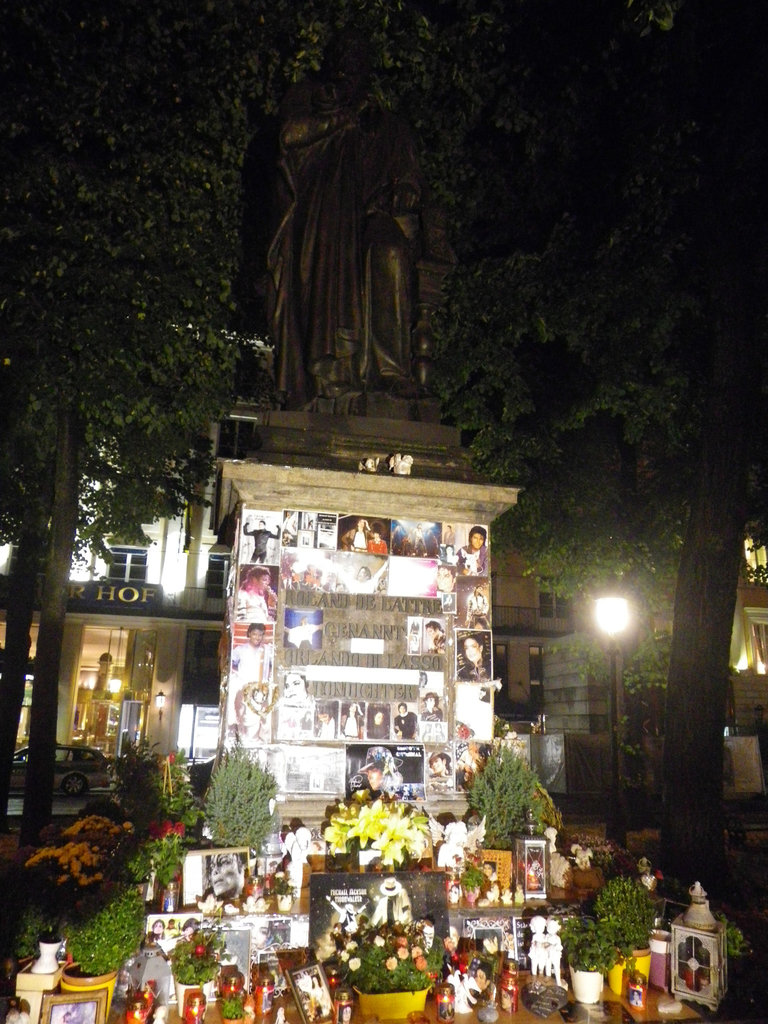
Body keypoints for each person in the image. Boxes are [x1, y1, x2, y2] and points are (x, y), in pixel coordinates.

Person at [268, 32, 428, 409]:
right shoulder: (311, 99)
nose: (350, 69)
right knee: (330, 245)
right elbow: (289, 138)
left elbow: (410, 181)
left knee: (388, 250)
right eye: (343, 58)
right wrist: (343, 118)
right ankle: (333, 373)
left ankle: (389, 371)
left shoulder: (388, 125)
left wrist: (403, 193)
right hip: (320, 217)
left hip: (373, 219)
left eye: (358, 61)